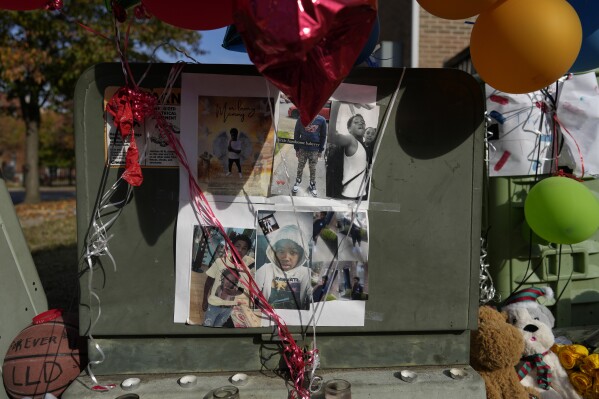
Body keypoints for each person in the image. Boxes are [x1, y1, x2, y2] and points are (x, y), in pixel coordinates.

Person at [255, 224, 312, 310]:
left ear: (301, 255)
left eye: (293, 252)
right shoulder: (266, 269)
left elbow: (314, 295)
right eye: (281, 251)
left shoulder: (307, 273)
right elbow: (252, 289)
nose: (286, 258)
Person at [202, 235, 254, 327]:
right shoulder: (220, 262)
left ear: (247, 251)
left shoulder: (246, 270)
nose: (240, 250)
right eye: (237, 246)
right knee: (207, 328)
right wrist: (204, 300)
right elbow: (208, 282)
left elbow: (242, 289)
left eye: (244, 248)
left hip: (228, 309)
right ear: (231, 246)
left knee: (218, 328)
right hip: (213, 306)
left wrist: (235, 293)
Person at [329, 113, 369, 199]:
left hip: (360, 195)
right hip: (348, 196)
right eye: (356, 122)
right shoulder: (351, 139)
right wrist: (335, 105)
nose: (361, 123)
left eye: (363, 122)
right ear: (349, 129)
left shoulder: (364, 146)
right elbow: (332, 137)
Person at [292, 114, 327, 197]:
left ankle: (312, 184)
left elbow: (323, 136)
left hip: (314, 149)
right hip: (302, 148)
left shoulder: (321, 120)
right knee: (300, 166)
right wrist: (296, 148)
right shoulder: (301, 118)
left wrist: (320, 150)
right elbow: (296, 133)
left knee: (313, 168)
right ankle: (298, 181)